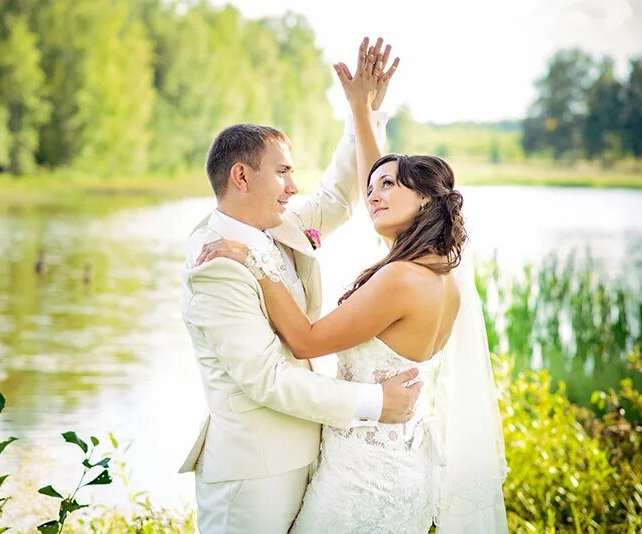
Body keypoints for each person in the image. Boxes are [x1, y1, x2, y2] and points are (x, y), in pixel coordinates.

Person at [199, 37, 508, 533]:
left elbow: (305, 340)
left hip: (365, 475)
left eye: (387, 188)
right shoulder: (434, 266)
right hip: (370, 461)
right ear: (241, 176)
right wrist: (364, 114)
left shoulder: (403, 277)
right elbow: (373, 183)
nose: (372, 196)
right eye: (373, 188)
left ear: (426, 201)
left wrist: (258, 263)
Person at [179, 37, 421, 534]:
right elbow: (267, 378)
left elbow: (336, 194)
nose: (294, 186)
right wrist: (375, 404)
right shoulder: (215, 264)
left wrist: (366, 114)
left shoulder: (279, 226)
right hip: (253, 476)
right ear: (241, 176)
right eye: (283, 172)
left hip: (311, 456)